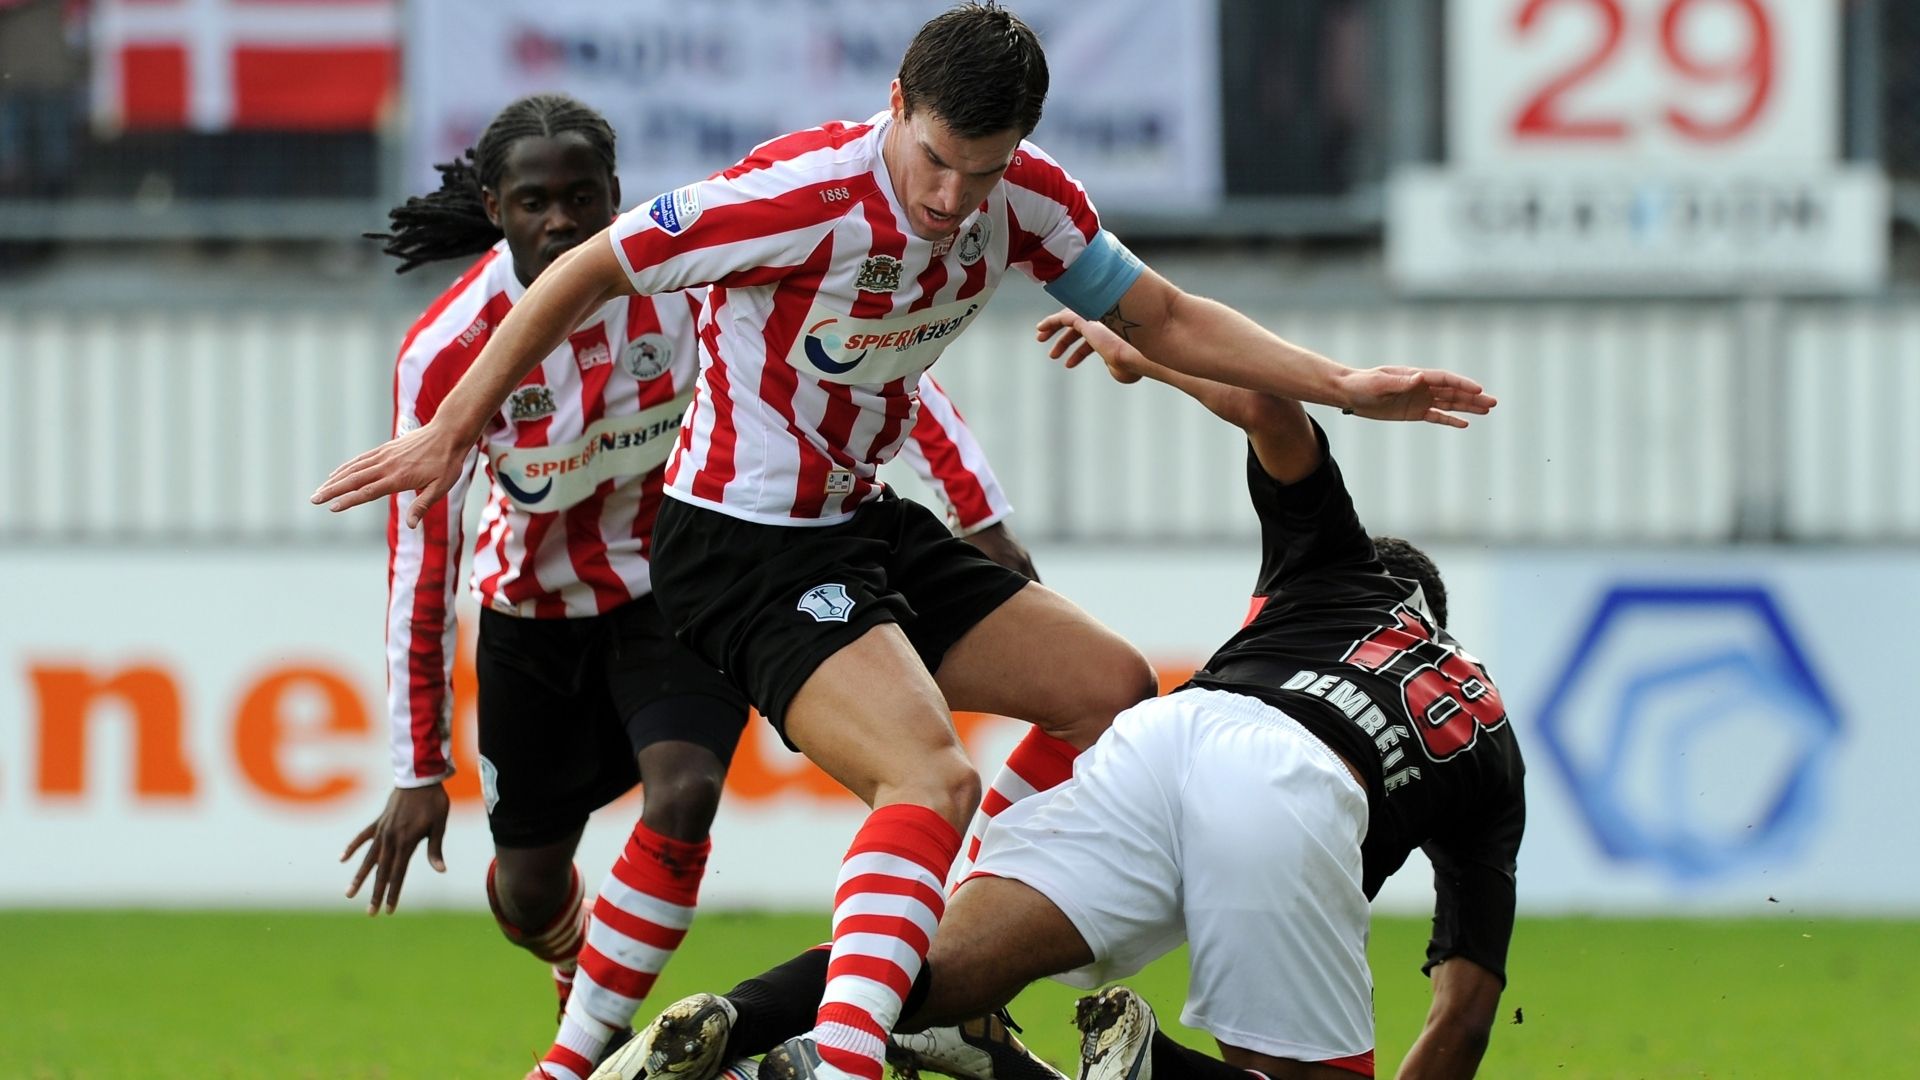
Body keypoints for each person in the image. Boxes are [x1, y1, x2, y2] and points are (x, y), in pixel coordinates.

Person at [313, 9, 1497, 1080]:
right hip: (741, 542)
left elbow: (1167, 315)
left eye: (983, 171)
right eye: (935, 160)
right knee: (928, 778)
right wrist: (450, 433)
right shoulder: (801, 193)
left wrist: (1344, 384)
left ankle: (932, 965)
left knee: (1109, 689)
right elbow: (590, 264)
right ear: (897, 103)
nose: (952, 199)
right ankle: (843, 1059)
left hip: (860, 523)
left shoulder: (1028, 200)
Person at [602, 311, 1524, 1080]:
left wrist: (1143, 353)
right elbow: (1464, 1018)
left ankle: (740, 1022)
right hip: (1297, 783)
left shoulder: (1337, 570)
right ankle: (1151, 1065)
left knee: (934, 965)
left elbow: (1266, 407)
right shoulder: (1491, 745)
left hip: (1166, 737)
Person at [335, 92, 1036, 1080]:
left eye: (584, 198)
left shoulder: (681, 278)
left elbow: (867, 366)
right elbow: (422, 557)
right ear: (496, 208)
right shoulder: (445, 349)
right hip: (532, 621)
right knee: (526, 893)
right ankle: (581, 968)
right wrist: (418, 765)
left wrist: (978, 512)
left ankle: (577, 1057)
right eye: (535, 202)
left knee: (688, 789)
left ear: (615, 194)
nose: (562, 220)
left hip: (675, 587)